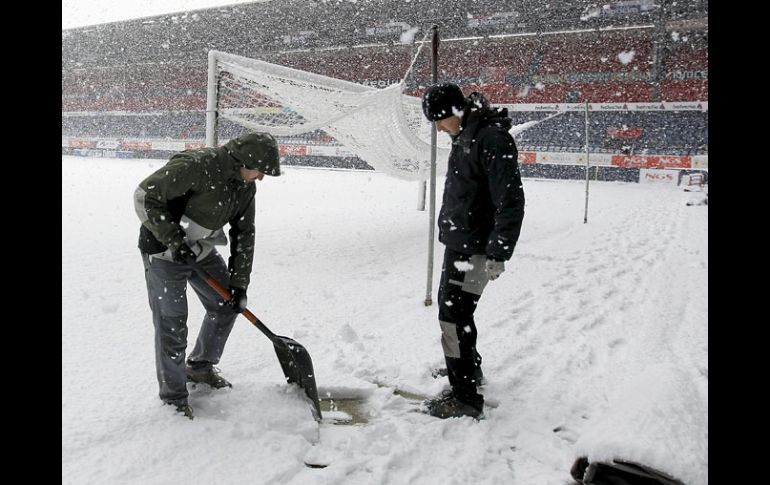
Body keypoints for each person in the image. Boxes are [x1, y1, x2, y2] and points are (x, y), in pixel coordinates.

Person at [133, 132, 281, 419]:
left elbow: (244, 234)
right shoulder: (198, 165)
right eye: (260, 170)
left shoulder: (245, 186)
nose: (261, 177)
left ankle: (199, 368)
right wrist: (173, 240)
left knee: (227, 304)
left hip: (199, 249)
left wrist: (239, 285)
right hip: (164, 252)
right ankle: (174, 399)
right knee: (172, 325)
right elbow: (145, 196)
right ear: (243, 160)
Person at [420, 83, 525, 419]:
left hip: (475, 249)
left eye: (439, 120)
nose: (437, 127)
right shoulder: (466, 135)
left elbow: (510, 200)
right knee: (453, 313)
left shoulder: (490, 139)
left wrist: (498, 252)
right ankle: (469, 370)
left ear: (454, 111)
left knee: (453, 317)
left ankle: (464, 397)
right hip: (459, 242)